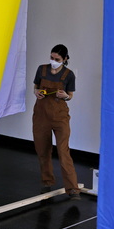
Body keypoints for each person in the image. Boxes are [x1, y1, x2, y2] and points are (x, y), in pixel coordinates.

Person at [32, 44, 80, 200]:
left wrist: (64, 95)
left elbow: (70, 95)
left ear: (64, 59)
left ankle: (72, 188)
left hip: (60, 116)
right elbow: (35, 87)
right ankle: (47, 181)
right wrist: (37, 93)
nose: (53, 61)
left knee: (63, 151)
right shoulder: (42, 69)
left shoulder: (69, 75)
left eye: (57, 59)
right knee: (42, 149)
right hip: (41, 115)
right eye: (52, 58)